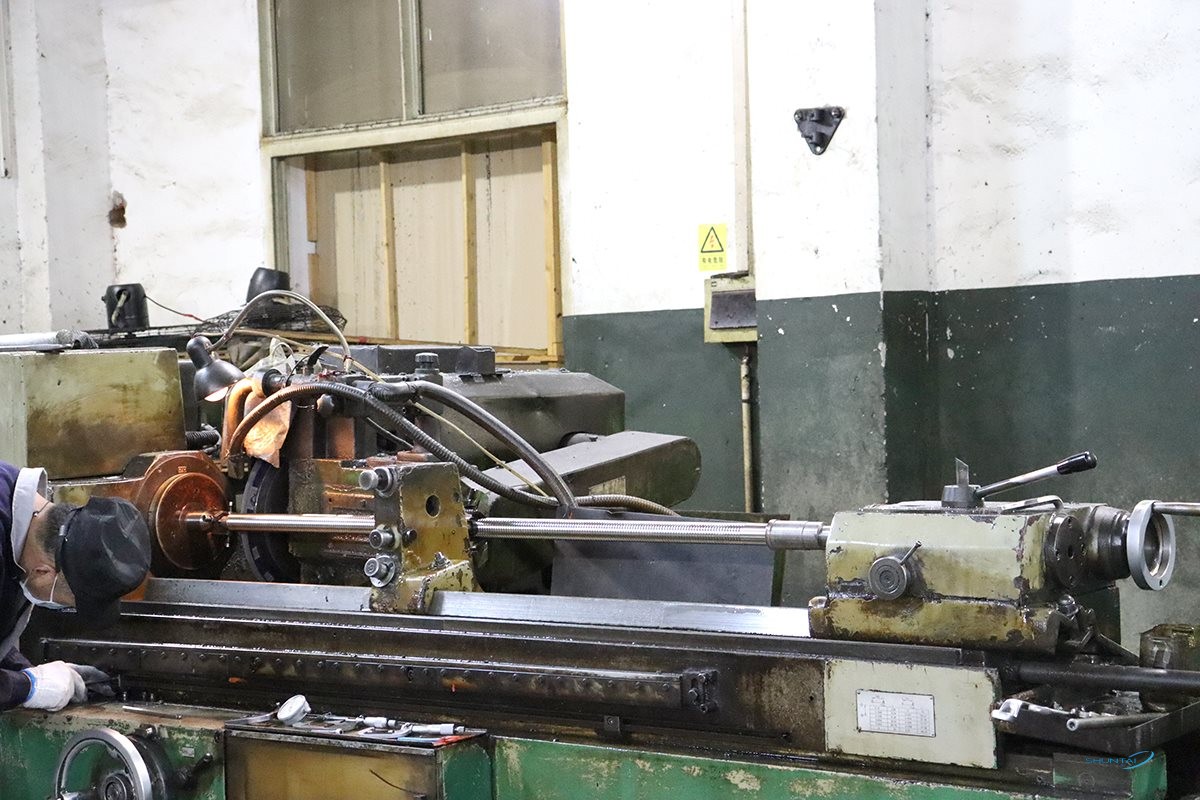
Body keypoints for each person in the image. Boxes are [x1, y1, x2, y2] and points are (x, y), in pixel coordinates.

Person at [1, 460, 151, 712]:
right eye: (66, 601)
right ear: (43, 571)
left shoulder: (19, 517)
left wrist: (27, 671)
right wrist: (27, 687)